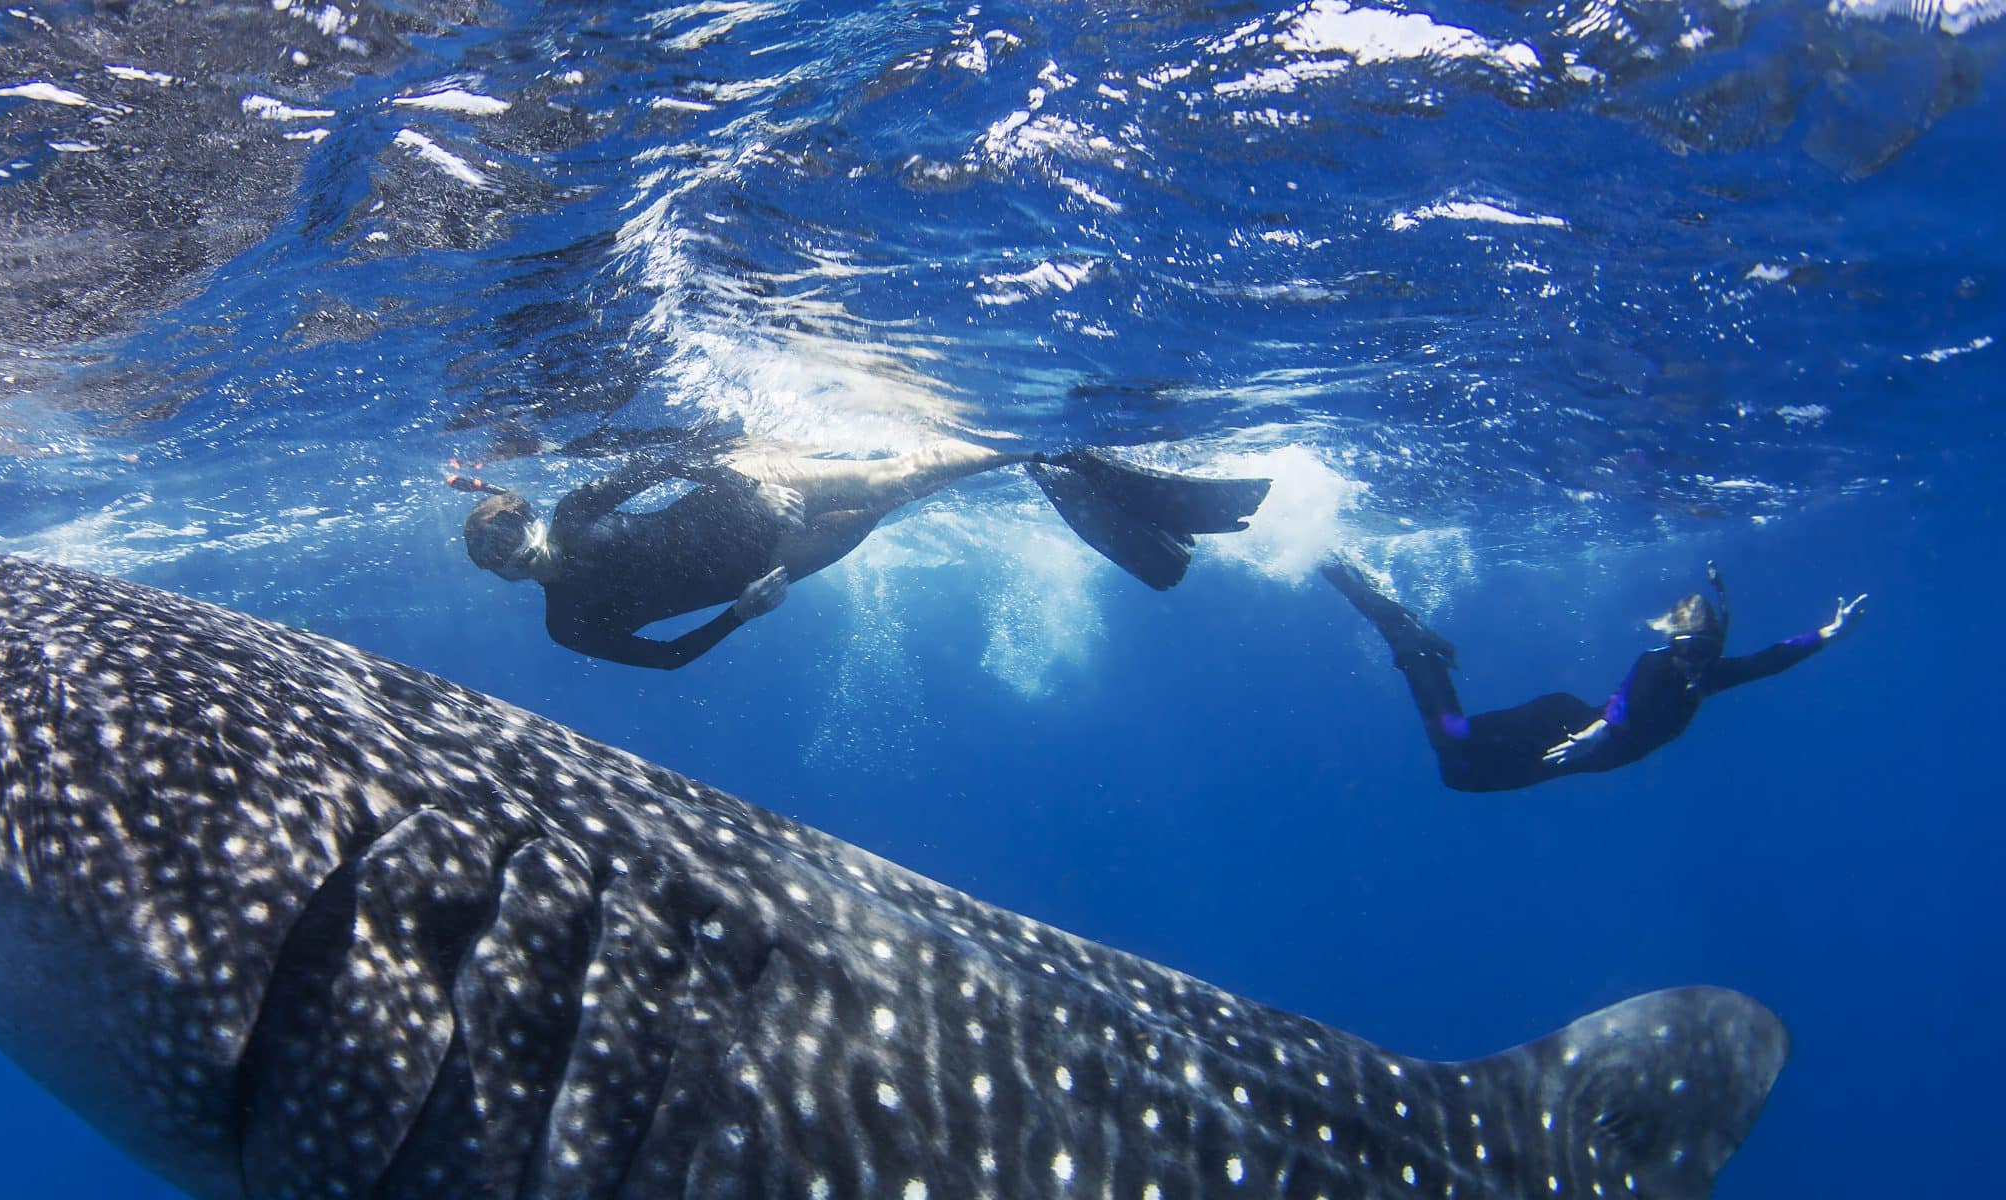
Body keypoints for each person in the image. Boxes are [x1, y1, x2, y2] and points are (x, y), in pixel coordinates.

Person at [458, 440, 1271, 669]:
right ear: (496, 575)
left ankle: (1042, 445)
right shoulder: (567, 627)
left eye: (505, 531)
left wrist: (744, 480)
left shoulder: (574, 507)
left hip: (749, 492)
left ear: (525, 512)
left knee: (895, 479)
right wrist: (742, 615)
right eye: (494, 558)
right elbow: (667, 660)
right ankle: (1041, 455)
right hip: (764, 570)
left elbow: (677, 457)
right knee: (890, 508)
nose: (510, 554)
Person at [1320, 556, 1867, 792]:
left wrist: (1826, 635)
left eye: (1705, 647)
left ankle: (1417, 643)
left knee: (1460, 777)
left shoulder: (1707, 676)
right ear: (1677, 640)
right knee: (1450, 738)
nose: (1695, 656)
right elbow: (1629, 698)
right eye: (1690, 644)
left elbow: (1767, 660)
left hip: (1579, 750)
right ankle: (1410, 641)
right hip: (1568, 727)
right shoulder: (1660, 664)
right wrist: (1598, 734)